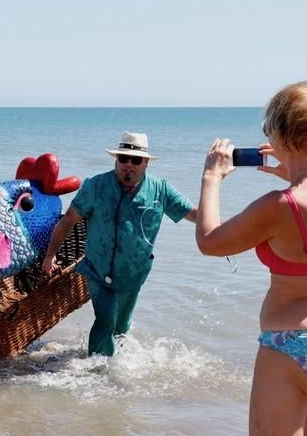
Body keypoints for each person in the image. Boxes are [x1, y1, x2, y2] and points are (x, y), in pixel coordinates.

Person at [196, 81, 307, 435]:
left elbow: (209, 241)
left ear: (280, 134)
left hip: (290, 346)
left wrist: (211, 177)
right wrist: (297, 172)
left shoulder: (280, 206)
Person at [42, 132, 197, 356]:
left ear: (146, 163)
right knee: (105, 320)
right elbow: (68, 220)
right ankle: (95, 372)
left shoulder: (161, 190)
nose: (128, 165)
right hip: (97, 268)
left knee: (121, 327)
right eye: (123, 158)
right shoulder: (95, 186)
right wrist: (50, 255)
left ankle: (118, 366)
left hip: (134, 273)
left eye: (135, 160)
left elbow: (192, 213)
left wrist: (230, 228)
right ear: (116, 160)